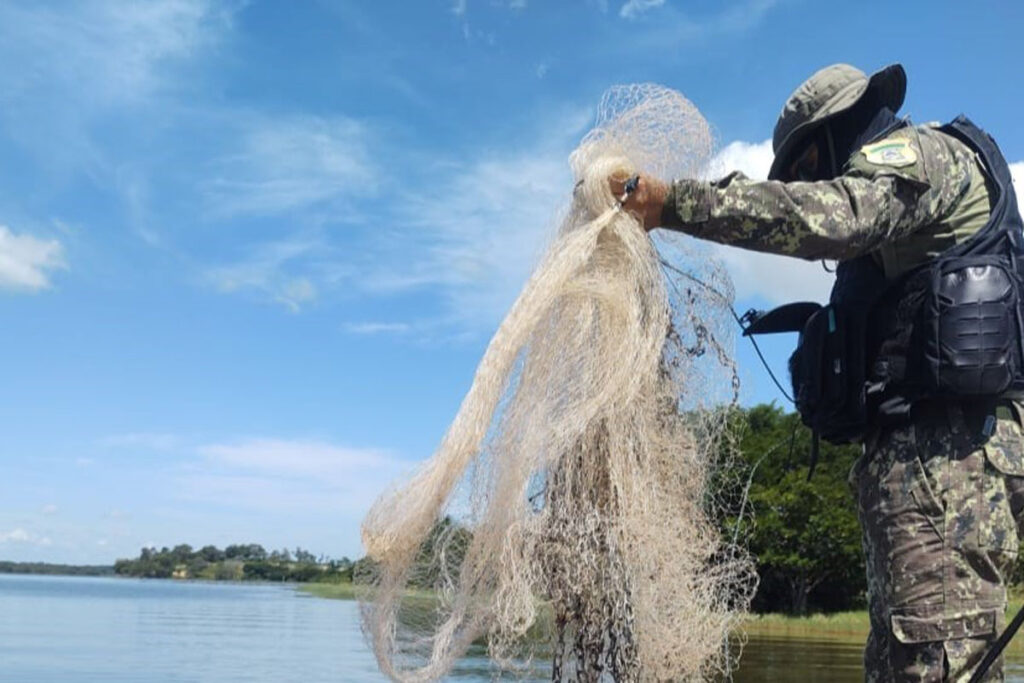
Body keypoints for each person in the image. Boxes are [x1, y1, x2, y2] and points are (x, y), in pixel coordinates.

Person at [613, 63, 1024, 682]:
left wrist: (673, 204)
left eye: (806, 171)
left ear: (833, 136)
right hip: (919, 465)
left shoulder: (915, 155)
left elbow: (837, 217)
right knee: (899, 662)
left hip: (952, 462)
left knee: (936, 661)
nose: (810, 184)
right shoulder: (896, 200)